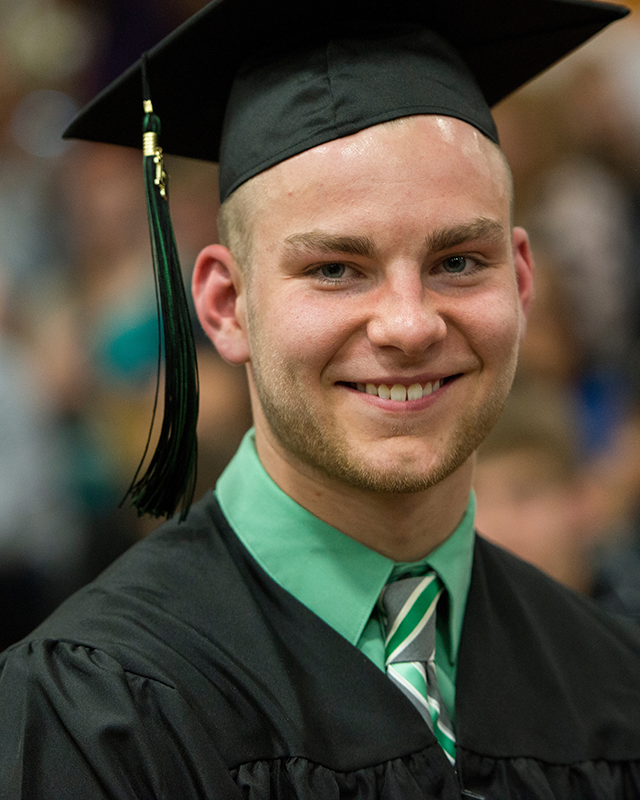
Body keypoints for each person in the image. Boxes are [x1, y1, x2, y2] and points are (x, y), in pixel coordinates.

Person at [2, 0, 640, 797]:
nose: (409, 324)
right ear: (225, 306)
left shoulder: (614, 683)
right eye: (336, 269)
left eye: (458, 262)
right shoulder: (96, 713)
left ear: (521, 279)